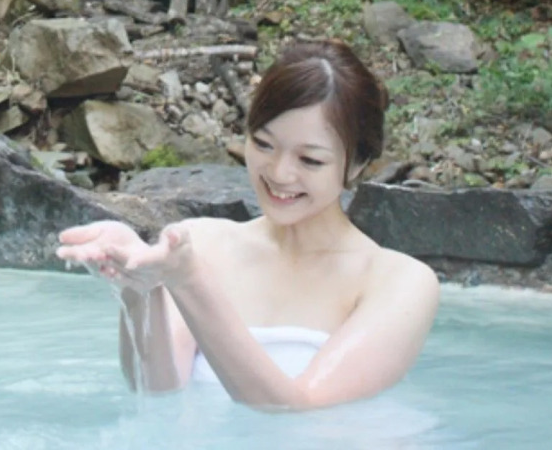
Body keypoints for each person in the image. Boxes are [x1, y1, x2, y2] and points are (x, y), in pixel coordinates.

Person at [56, 39, 439, 411]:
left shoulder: (398, 282)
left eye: (310, 160)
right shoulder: (201, 242)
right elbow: (157, 391)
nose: (279, 173)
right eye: (263, 144)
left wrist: (191, 283)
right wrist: (138, 290)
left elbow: (297, 410)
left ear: (357, 164)